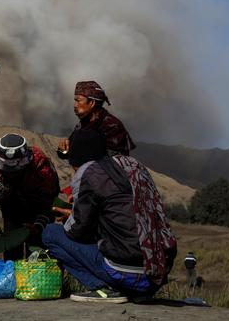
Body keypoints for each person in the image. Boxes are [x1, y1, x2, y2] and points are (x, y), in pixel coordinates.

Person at [43, 128, 177, 303]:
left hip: (124, 271)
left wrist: (71, 216)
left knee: (51, 233)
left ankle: (104, 289)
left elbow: (77, 231)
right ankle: (137, 292)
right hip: (156, 272)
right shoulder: (134, 166)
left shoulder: (89, 173)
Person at [0, 133, 60, 260]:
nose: (11, 173)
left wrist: (38, 226)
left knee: (38, 255)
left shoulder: (41, 168)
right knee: (12, 254)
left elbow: (48, 204)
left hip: (37, 208)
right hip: (11, 209)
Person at [58, 81, 135, 158]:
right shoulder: (83, 123)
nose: (75, 105)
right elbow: (68, 154)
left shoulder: (113, 127)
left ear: (92, 103)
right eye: (75, 101)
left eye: (78, 101)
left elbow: (112, 163)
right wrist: (63, 150)